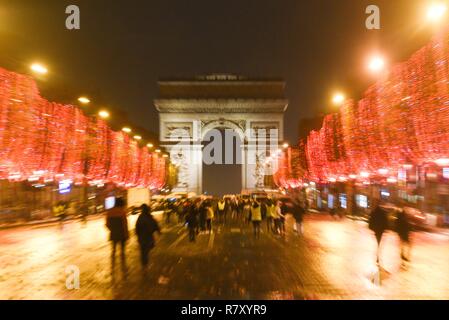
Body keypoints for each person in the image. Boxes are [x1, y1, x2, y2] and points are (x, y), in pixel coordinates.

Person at [106, 197, 129, 268]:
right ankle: (123, 265)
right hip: (122, 233)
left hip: (113, 233)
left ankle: (112, 265)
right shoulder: (122, 212)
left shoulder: (109, 212)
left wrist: (112, 230)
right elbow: (125, 224)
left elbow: (107, 224)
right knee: (122, 251)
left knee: (113, 250)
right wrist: (127, 234)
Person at [135, 204, 161, 269]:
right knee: (146, 250)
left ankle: (144, 264)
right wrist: (158, 231)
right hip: (148, 237)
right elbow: (155, 224)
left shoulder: (140, 217)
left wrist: (137, 235)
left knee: (143, 251)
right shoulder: (149, 217)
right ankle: (145, 263)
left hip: (142, 237)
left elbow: (137, 227)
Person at [368, 201, 389, 265]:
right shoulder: (382, 212)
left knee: (378, 241)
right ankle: (377, 255)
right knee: (379, 242)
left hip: (376, 230)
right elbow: (385, 221)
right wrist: (385, 228)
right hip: (380, 230)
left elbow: (370, 221)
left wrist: (371, 228)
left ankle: (377, 255)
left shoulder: (374, 212)